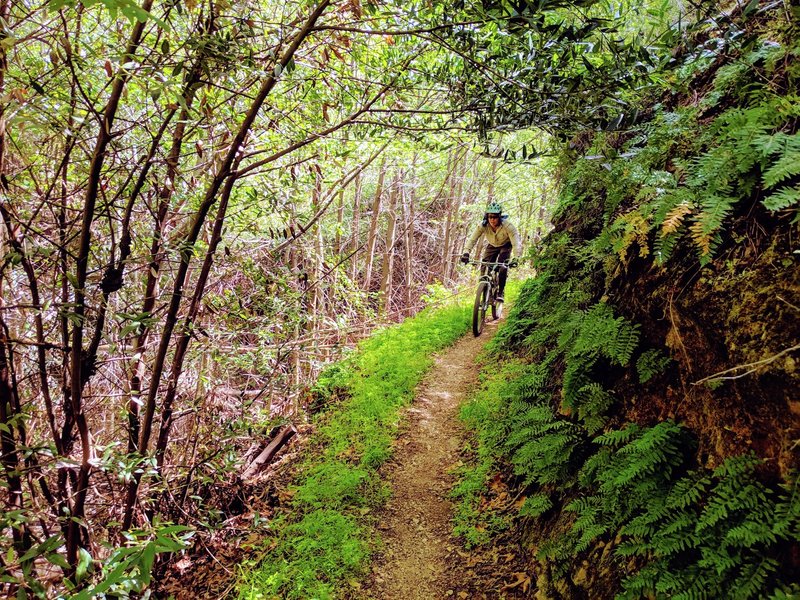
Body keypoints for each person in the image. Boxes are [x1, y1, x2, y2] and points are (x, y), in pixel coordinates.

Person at [460, 202, 521, 302]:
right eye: (490, 216)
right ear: (487, 216)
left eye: (495, 217)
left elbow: (516, 243)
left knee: (502, 266)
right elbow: (472, 239)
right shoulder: (483, 225)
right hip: (492, 245)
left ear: (499, 217)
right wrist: (466, 253)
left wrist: (516, 257)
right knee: (485, 264)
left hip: (506, 245)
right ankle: (483, 289)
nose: (492, 219)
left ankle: (500, 291)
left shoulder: (508, 226)